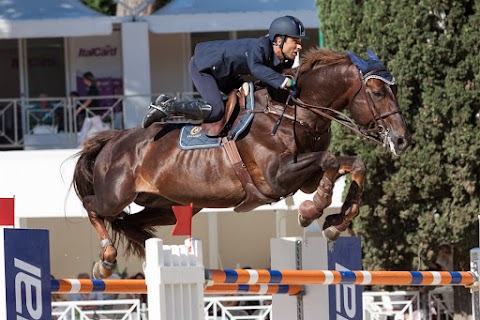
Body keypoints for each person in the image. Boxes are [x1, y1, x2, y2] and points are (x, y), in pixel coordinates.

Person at [142, 15, 307, 128]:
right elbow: (257, 69)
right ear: (279, 40)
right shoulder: (260, 46)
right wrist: (285, 81)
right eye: (295, 41)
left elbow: (267, 80)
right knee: (217, 110)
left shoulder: (281, 60)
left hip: (227, 75)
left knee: (244, 104)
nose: (299, 46)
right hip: (204, 66)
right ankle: (167, 106)